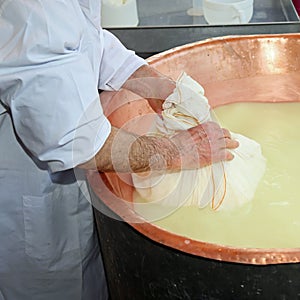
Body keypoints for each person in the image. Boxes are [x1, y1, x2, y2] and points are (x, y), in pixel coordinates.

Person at [0, 0, 238, 299]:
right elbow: (74, 140)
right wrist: (177, 151)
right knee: (59, 286)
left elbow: (84, 40)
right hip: (27, 195)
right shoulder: (35, 9)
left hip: (65, 177)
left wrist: (153, 84)